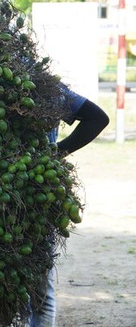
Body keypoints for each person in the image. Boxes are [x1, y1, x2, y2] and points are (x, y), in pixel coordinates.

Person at [28, 84, 109, 326]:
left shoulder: (44, 86)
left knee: (29, 295)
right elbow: (97, 118)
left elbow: (98, 119)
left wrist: (54, 154)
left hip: (22, 200)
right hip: (36, 198)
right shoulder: (46, 85)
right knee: (39, 296)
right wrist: (54, 155)